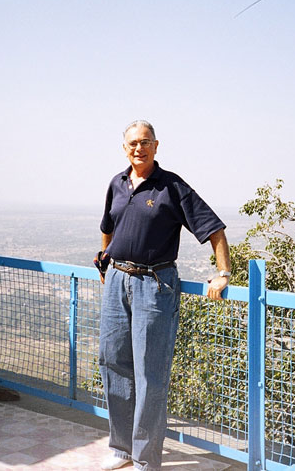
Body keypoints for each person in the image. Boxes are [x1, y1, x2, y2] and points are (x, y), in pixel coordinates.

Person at [95, 120, 231, 470]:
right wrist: (105, 262)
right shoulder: (117, 183)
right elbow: (107, 229)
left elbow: (213, 228)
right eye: (132, 144)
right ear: (124, 148)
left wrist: (223, 273)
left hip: (155, 285)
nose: (138, 149)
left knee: (149, 374)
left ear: (156, 145)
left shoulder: (172, 186)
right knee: (113, 363)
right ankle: (122, 449)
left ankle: (145, 458)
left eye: (145, 142)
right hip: (117, 281)